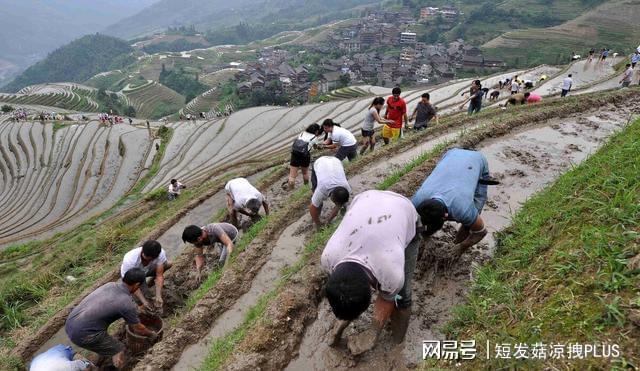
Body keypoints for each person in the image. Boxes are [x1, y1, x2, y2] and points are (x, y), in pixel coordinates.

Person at [321, 190, 422, 354]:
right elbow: (341, 287)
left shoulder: (391, 273)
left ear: (371, 289)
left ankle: (398, 343)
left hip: (403, 210)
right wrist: (344, 315)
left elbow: (386, 298)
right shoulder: (328, 259)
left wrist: (373, 332)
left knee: (402, 296)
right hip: (365, 199)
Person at [65, 269, 156, 369]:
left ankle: (104, 356)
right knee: (119, 350)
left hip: (71, 322)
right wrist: (152, 334)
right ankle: (120, 367)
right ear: (136, 285)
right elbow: (138, 329)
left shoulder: (110, 285)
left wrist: (137, 311)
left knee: (106, 345)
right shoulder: (125, 302)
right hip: (83, 334)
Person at [412, 148, 493, 258]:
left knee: (469, 221)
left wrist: (461, 247)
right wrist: (424, 239)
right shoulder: (416, 201)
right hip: (451, 154)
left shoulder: (463, 209)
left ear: (446, 217)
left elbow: (480, 232)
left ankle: (457, 242)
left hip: (475, 160)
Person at [120, 240, 172, 312]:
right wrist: (144, 301)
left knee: (168, 264)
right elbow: (131, 283)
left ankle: (151, 283)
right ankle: (143, 295)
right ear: (143, 253)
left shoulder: (159, 253)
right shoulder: (130, 261)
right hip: (135, 276)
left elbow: (159, 275)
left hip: (147, 270)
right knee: (142, 298)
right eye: (149, 259)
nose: (151, 260)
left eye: (153, 259)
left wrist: (158, 295)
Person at [310, 156, 351, 229]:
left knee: (343, 204)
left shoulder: (347, 187)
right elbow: (312, 208)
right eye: (336, 203)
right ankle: (316, 217)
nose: (336, 204)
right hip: (319, 163)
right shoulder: (322, 189)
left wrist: (328, 220)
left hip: (336, 161)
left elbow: (339, 205)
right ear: (331, 197)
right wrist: (318, 224)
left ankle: (344, 209)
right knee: (317, 202)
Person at [288, 123, 322, 190]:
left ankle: (291, 189)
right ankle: (306, 187)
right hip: (305, 155)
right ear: (316, 131)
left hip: (295, 154)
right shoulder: (314, 138)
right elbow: (316, 147)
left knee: (292, 176)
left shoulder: (302, 133)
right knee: (305, 173)